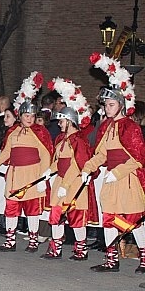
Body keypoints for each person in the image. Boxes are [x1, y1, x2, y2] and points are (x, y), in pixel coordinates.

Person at [81, 64, 145, 272]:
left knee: (133, 220)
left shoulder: (130, 127)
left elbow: (138, 158)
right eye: (105, 105)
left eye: (110, 105)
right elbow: (101, 154)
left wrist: (116, 173)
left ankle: (144, 259)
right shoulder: (106, 127)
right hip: (110, 180)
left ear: (120, 104)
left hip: (127, 180)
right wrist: (87, 168)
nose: (106, 109)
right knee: (108, 218)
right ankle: (111, 259)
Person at [0, 72, 53, 252]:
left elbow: (46, 155)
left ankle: (33, 241)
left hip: (33, 176)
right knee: (11, 209)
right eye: (26, 115)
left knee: (32, 211)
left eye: (32, 115)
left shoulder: (41, 132)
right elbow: (6, 152)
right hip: (15, 176)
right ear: (20, 116)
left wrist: (42, 179)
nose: (29, 119)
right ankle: (10, 241)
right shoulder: (13, 133)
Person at [40, 77, 97, 260]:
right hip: (60, 182)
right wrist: (50, 171)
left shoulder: (78, 140)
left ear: (70, 121)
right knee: (55, 213)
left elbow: (77, 164)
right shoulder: (61, 140)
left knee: (76, 217)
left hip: (74, 183)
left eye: (62, 121)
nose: (59, 124)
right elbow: (59, 160)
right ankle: (55, 248)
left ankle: (81, 249)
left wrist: (66, 183)